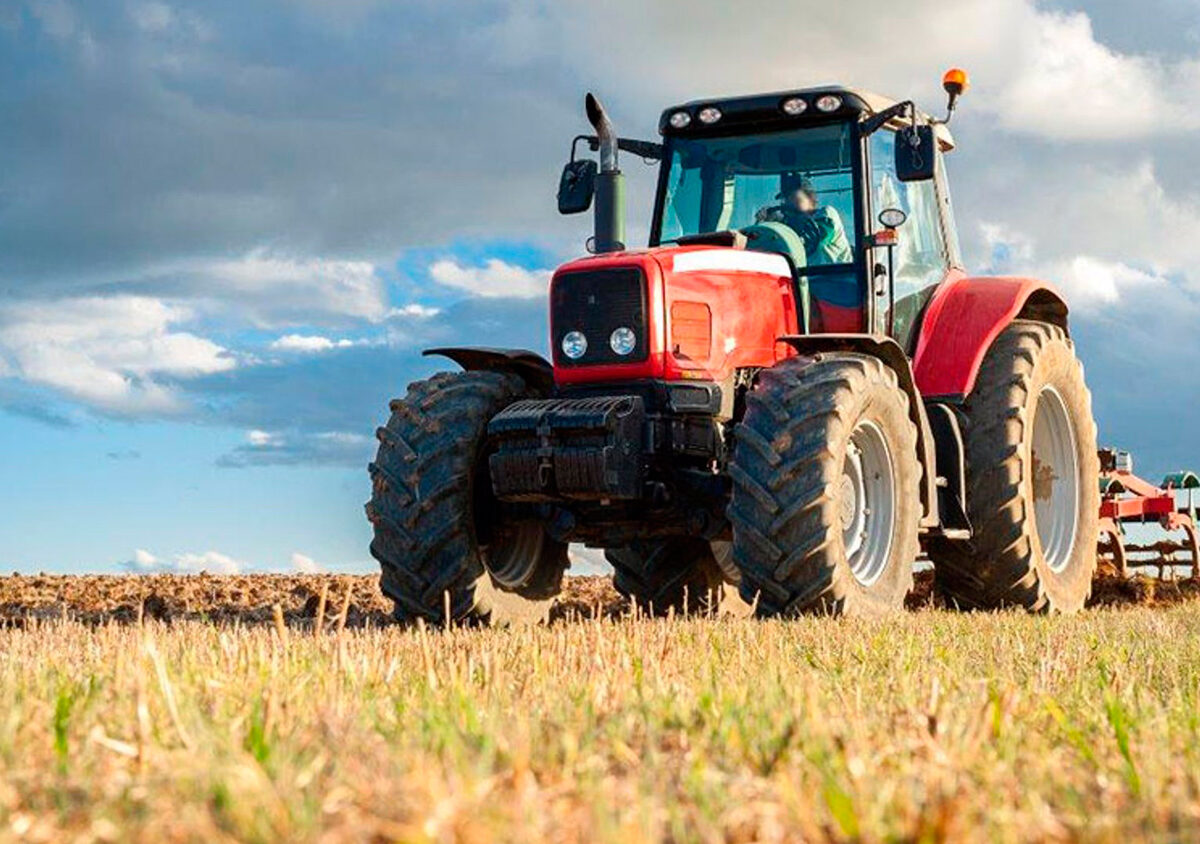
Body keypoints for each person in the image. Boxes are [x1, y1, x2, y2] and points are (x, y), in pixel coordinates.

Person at [755, 174, 853, 265]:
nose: (788, 204)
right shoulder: (791, 227)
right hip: (807, 280)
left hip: (838, 278)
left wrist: (782, 223)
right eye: (785, 200)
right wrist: (767, 226)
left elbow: (814, 237)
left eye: (795, 198)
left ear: (810, 198)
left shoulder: (827, 214)